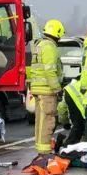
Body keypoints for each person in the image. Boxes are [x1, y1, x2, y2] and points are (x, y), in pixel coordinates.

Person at [30, 20, 65, 155]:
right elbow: (50, 70)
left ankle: (41, 150)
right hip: (47, 90)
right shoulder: (49, 47)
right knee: (48, 121)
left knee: (40, 121)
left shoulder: (39, 45)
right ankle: (44, 153)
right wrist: (57, 89)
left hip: (39, 88)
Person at [57, 77, 86, 147]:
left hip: (74, 119)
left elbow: (62, 107)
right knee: (82, 138)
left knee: (76, 131)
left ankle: (65, 143)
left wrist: (64, 122)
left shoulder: (70, 89)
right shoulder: (85, 87)